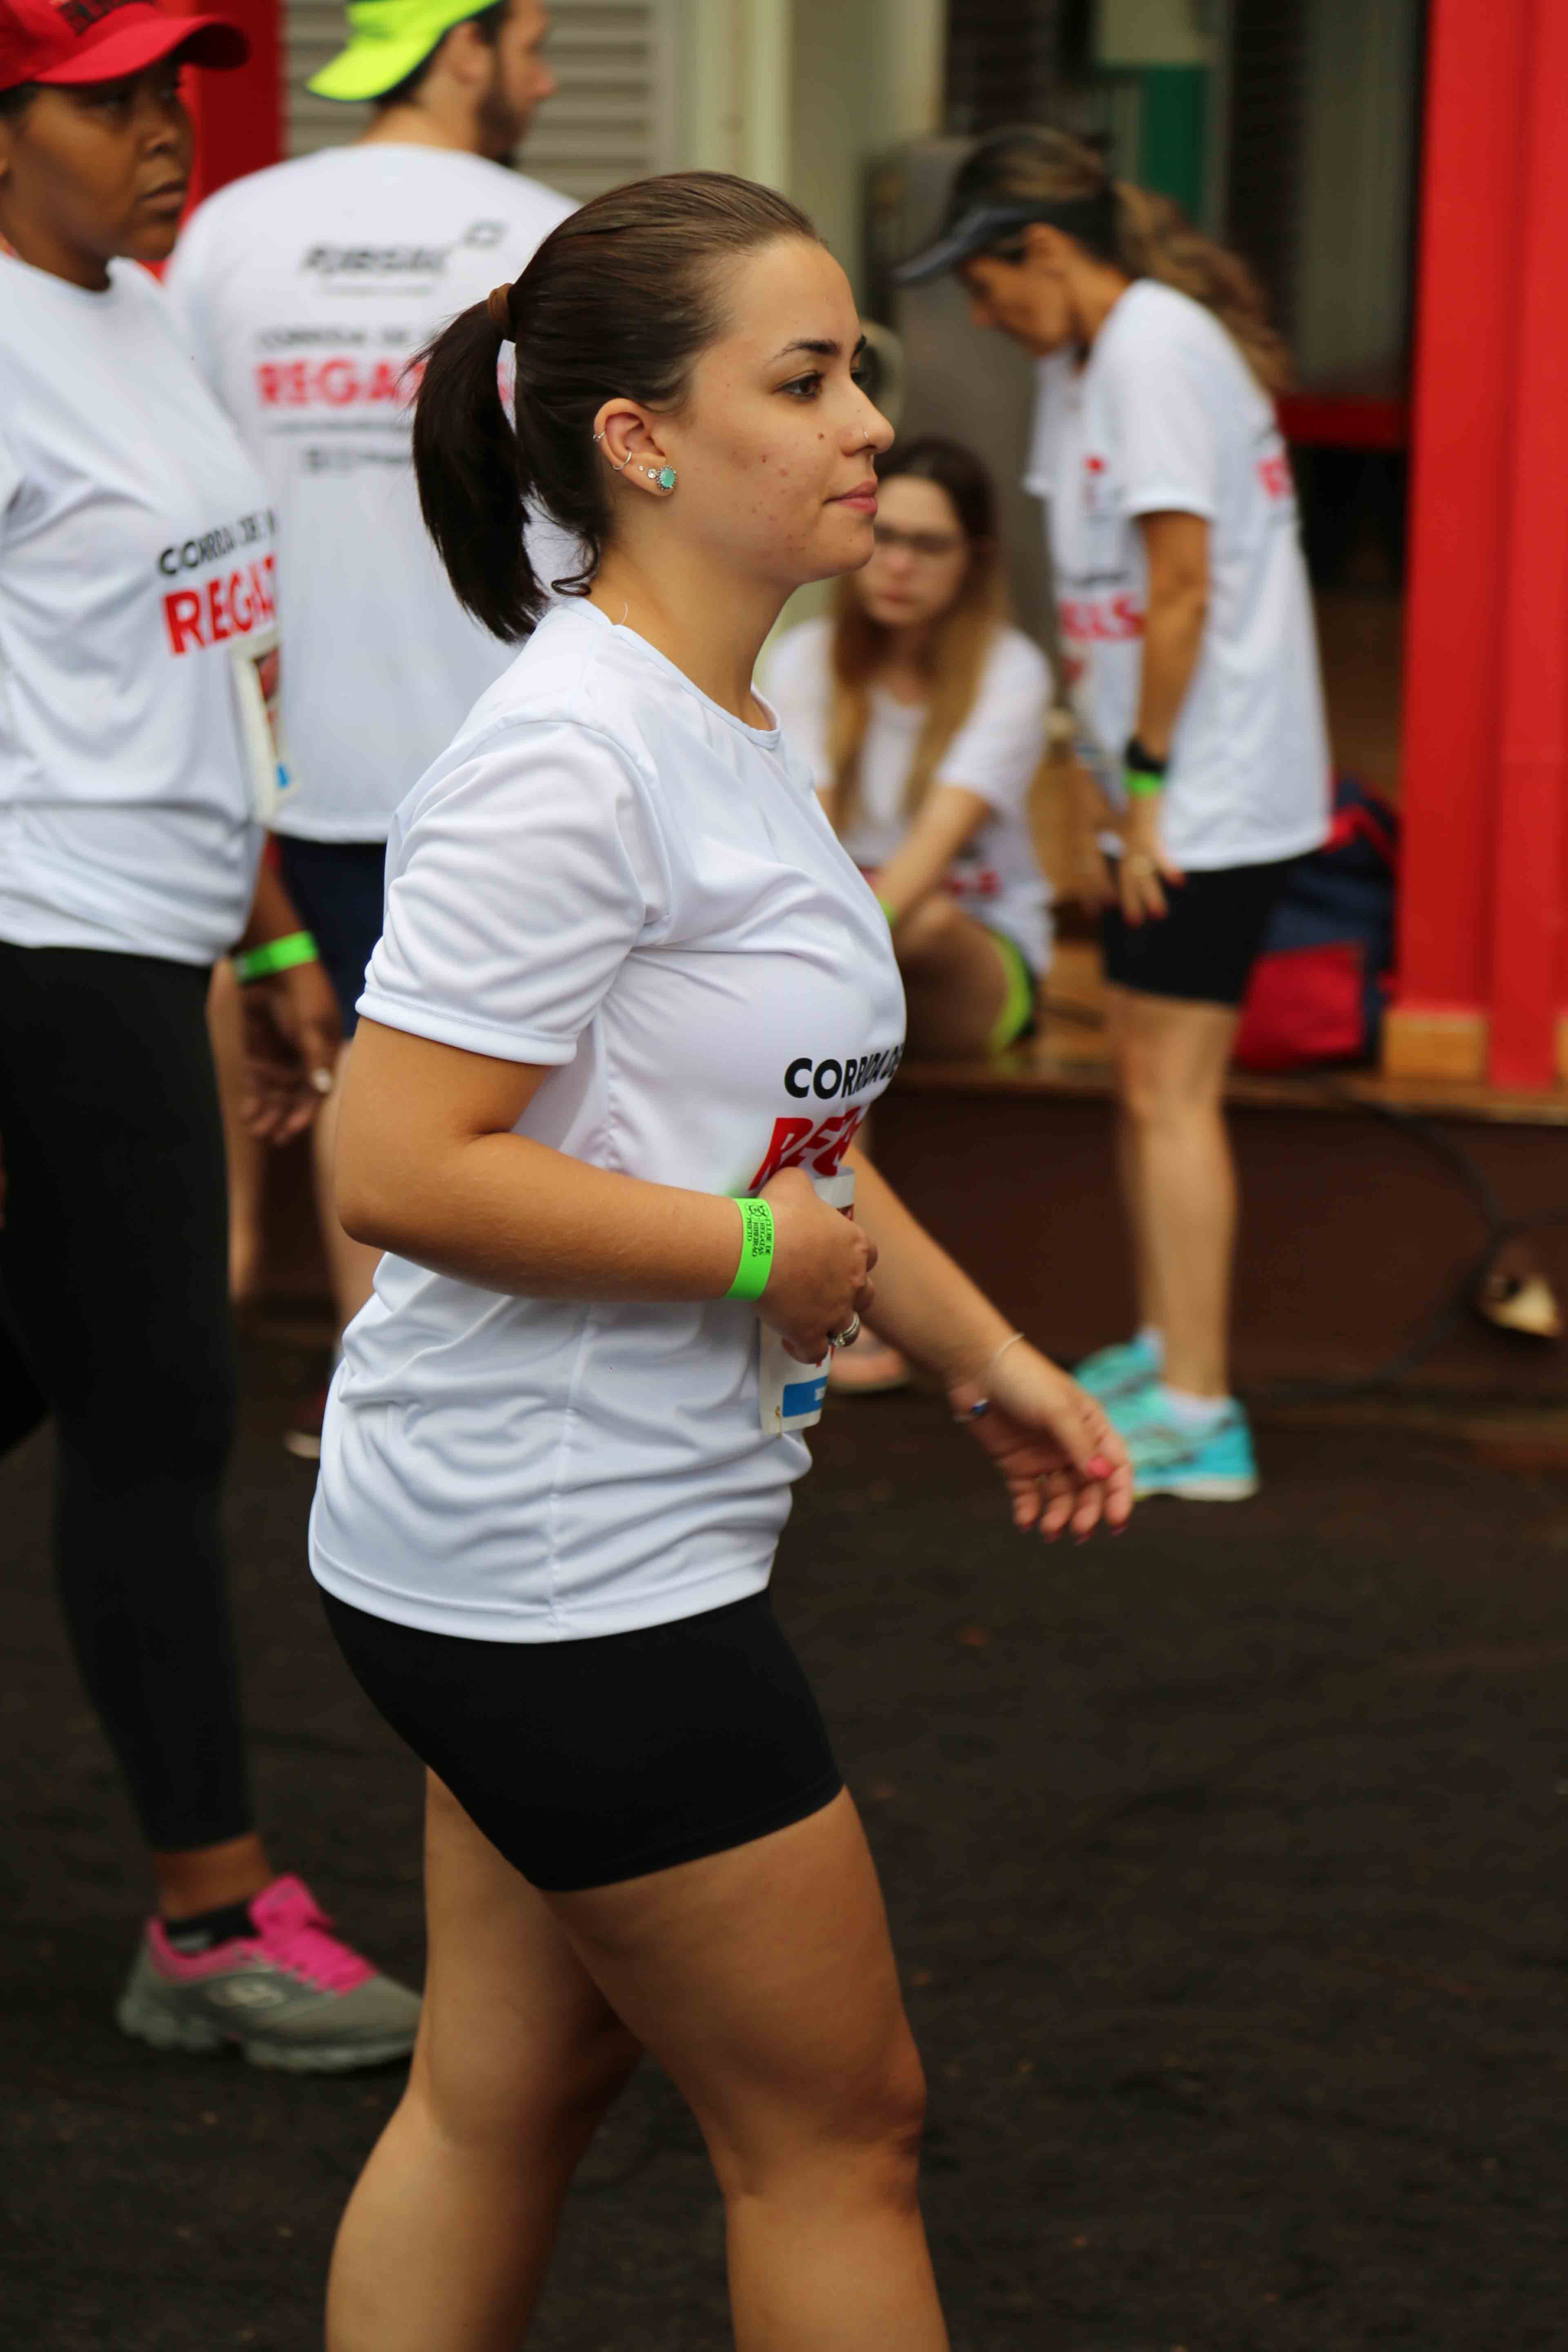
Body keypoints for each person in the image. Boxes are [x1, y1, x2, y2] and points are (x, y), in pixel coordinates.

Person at [306, 170, 1132, 2350]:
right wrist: (753, 1247)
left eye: (859, 366)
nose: (872, 417)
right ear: (640, 441)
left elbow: (796, 1148)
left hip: (532, 1536)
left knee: (511, 2085)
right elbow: (396, 1160)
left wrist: (983, 1357)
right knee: (840, 2128)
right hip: (557, 1562)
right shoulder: (573, 753)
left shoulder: (715, 727)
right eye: (810, 376)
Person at [0, 0, 419, 2068]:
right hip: (39, 934)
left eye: (179, 88)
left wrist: (263, 943)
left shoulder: (141, 310)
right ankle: (205, 1915)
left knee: (51, 1355)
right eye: (113, 96)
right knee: (157, 1411)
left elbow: (211, 648)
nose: (170, 129)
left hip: (155, 927)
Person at [898, 124, 1332, 1501]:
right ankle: (1166, 1346)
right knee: (1143, 1080)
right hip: (1163, 779)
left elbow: (1184, 587)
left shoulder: (1149, 349)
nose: (978, 309)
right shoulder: (1093, 357)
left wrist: (1145, 788)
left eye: (984, 280)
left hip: (1213, 788)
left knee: (1173, 1095)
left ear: (1045, 250)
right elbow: (1109, 595)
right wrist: (1101, 757)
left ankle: (1203, 1410)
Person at [167, 0, 571, 1457]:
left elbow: (186, 488)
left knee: (356, 1058)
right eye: (531, 43)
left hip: (291, 748)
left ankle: (373, 1394)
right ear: (462, 46)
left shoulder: (232, 231)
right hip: (517, 741)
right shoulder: (553, 235)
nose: (545, 74)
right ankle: (478, 1408)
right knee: (505, 1079)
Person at [766, 432, 1052, 1392]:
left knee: (898, 934)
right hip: (854, 958)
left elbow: (921, 870)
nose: (895, 563)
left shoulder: (1010, 672)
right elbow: (806, 847)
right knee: (843, 979)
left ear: (974, 561)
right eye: (883, 533)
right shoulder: (806, 657)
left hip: (978, 970)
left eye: (929, 545)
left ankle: (849, 1291)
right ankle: (838, 1297)